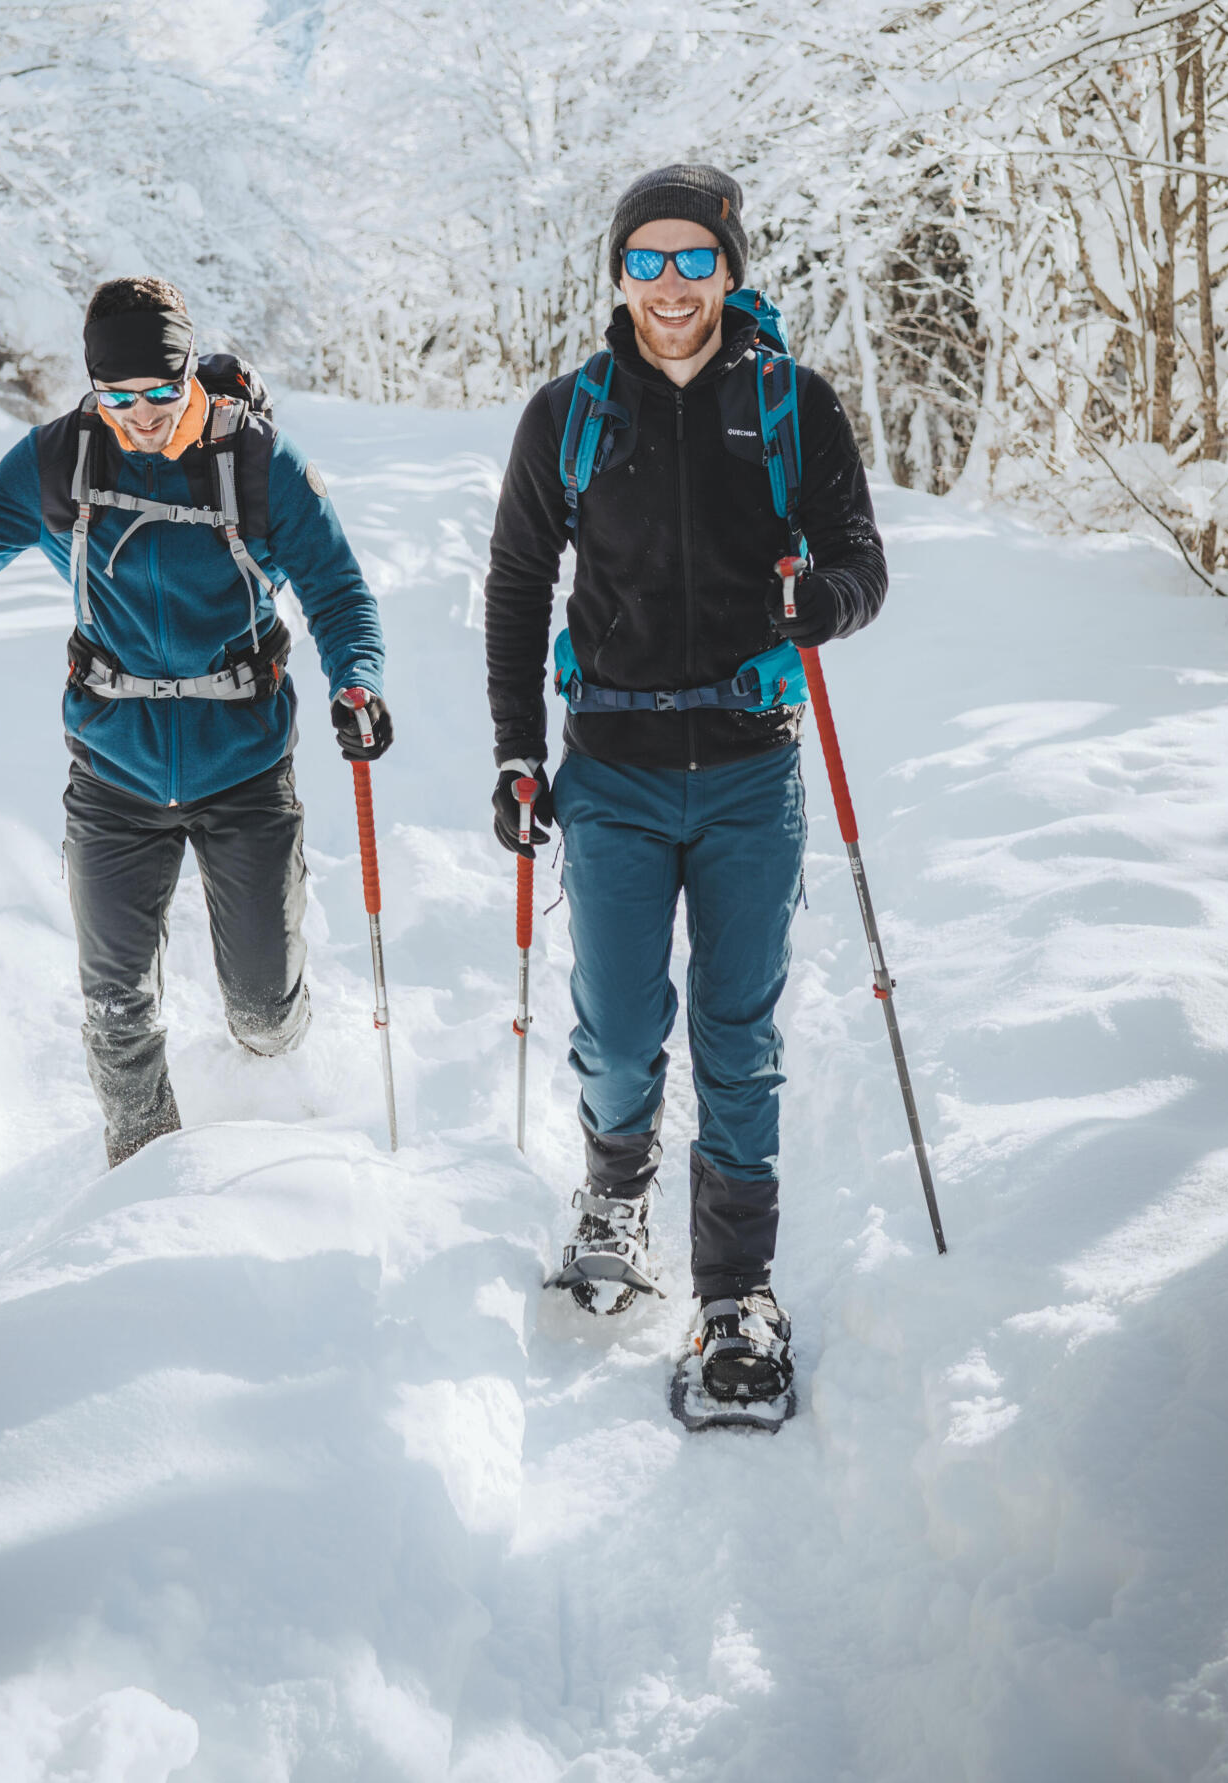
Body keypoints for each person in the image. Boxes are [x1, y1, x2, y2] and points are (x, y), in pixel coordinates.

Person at [482, 165, 888, 1409]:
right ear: (618, 274)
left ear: (730, 269)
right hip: (609, 769)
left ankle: (735, 1291)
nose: (670, 284)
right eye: (646, 261)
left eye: (692, 259)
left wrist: (821, 602)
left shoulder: (791, 403)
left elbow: (863, 565)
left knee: (737, 1037)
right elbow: (513, 586)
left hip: (751, 775)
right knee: (614, 1025)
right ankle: (613, 1195)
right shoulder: (568, 414)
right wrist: (515, 750)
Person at [0, 276, 389, 1169]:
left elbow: (339, 591)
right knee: (116, 1006)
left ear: (190, 370)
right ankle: (143, 1182)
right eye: (117, 397)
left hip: (244, 765)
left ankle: (282, 1091)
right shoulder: (57, 460)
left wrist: (359, 682)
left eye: (161, 392)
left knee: (263, 1012)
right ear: (92, 387)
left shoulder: (257, 463)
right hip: (113, 772)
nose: (143, 414)